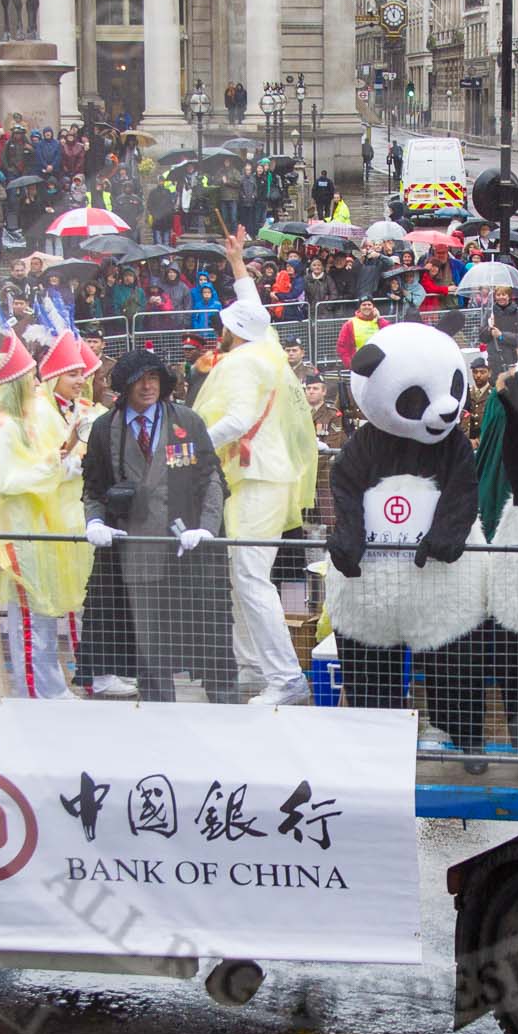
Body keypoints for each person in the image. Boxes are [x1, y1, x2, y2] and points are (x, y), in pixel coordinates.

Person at [194, 232, 318, 705]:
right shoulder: (264, 345)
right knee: (241, 571)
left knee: (248, 574)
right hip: (262, 475)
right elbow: (256, 311)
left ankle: (284, 678)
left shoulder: (243, 361)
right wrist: (237, 262)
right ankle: (251, 663)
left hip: (256, 477)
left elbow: (239, 420)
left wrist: (187, 445)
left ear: (231, 332)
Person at [81, 348, 237, 702]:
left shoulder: (187, 420)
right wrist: (94, 521)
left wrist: (209, 528)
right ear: (125, 386)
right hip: (136, 556)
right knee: (149, 649)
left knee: (211, 637)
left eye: (154, 378)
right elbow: (92, 486)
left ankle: (227, 713)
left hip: (189, 552)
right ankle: (159, 720)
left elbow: (212, 478)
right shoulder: (105, 429)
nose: (148, 386)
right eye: (140, 380)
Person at [0, 332, 93, 698]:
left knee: (42, 615)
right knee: (30, 620)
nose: (35, 386)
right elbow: (7, 481)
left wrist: (59, 464)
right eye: (28, 381)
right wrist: (53, 467)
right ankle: (39, 695)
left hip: (37, 529)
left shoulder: (23, 424)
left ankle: (50, 690)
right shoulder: (4, 428)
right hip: (18, 534)